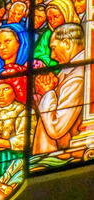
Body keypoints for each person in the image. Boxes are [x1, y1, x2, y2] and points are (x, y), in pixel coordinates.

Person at [33, 23, 85, 154]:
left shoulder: (77, 77)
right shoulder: (69, 71)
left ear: (67, 44)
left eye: (54, 48)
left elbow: (56, 128)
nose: (52, 56)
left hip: (61, 156)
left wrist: (47, 92)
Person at [34, 0, 80, 68]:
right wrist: (44, 63)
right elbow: (38, 53)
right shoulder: (48, 34)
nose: (52, 21)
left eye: (56, 17)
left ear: (66, 14)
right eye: (49, 18)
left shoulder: (76, 33)